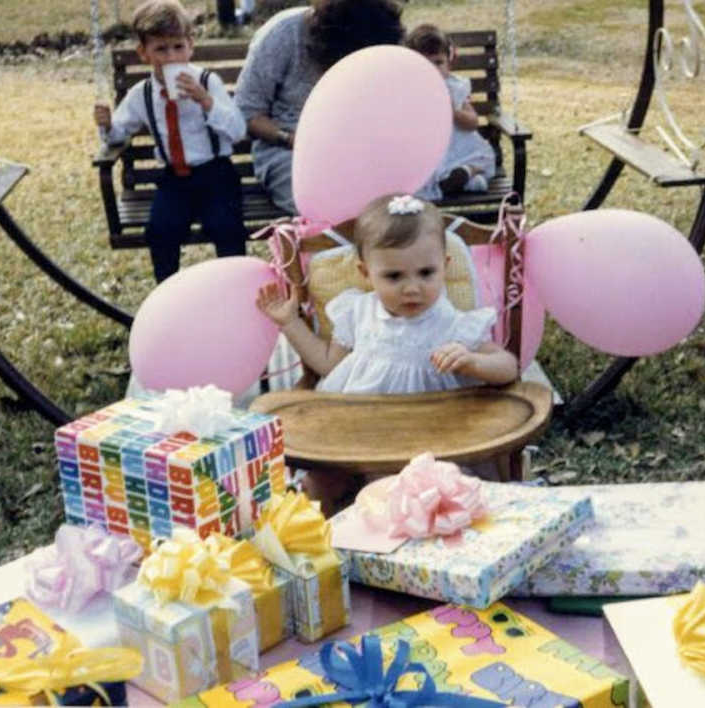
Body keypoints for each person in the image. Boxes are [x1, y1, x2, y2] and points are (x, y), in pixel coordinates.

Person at [256, 194, 518, 511]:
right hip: (357, 433)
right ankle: (321, 541)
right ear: (366, 273)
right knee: (318, 482)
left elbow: (508, 367)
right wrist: (290, 323)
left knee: (442, 491)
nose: (412, 288)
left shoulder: (454, 326)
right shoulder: (357, 311)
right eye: (394, 276)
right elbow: (328, 364)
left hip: (431, 442)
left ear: (445, 267)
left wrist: (473, 362)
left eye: (426, 273)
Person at [94, 0, 248, 283]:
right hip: (174, 180)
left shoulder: (207, 81)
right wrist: (107, 126)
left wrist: (205, 101)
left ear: (191, 46)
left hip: (216, 174)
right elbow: (120, 133)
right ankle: (166, 293)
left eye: (178, 47)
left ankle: (235, 288)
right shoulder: (142, 94)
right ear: (144, 53)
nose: (171, 57)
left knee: (226, 227)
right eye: (161, 49)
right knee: (161, 230)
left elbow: (237, 130)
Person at [235, 0, 404, 214]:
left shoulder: (381, 30)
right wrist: (293, 139)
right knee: (330, 203)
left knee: (395, 208)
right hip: (291, 152)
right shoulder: (284, 32)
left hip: (362, 151)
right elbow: (248, 112)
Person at [407, 24, 497, 200]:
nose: (432, 69)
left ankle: (465, 173)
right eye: (424, 63)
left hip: (458, 148)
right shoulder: (410, 90)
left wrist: (453, 111)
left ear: (449, 62)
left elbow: (473, 122)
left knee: (484, 158)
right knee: (421, 174)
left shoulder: (455, 88)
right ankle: (467, 181)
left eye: (438, 62)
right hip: (427, 150)